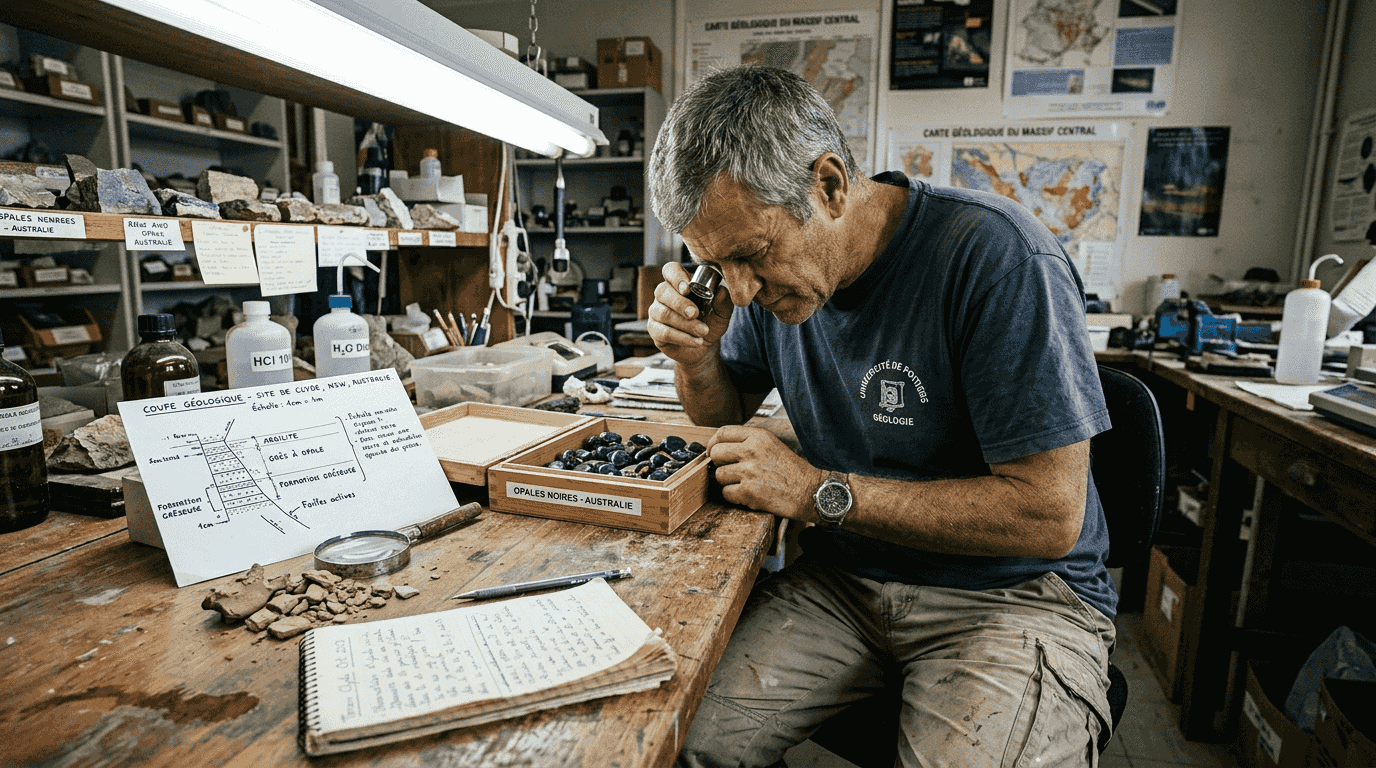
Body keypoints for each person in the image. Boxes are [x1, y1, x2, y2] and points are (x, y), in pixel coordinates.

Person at [646, 65, 1117, 768]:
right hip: (849, 583)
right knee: (664, 743)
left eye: (750, 256)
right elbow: (726, 417)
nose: (739, 292)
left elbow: (1049, 514)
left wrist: (815, 493)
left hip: (1015, 595)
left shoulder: (998, 257)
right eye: (715, 265)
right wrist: (697, 358)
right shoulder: (774, 289)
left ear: (830, 186)